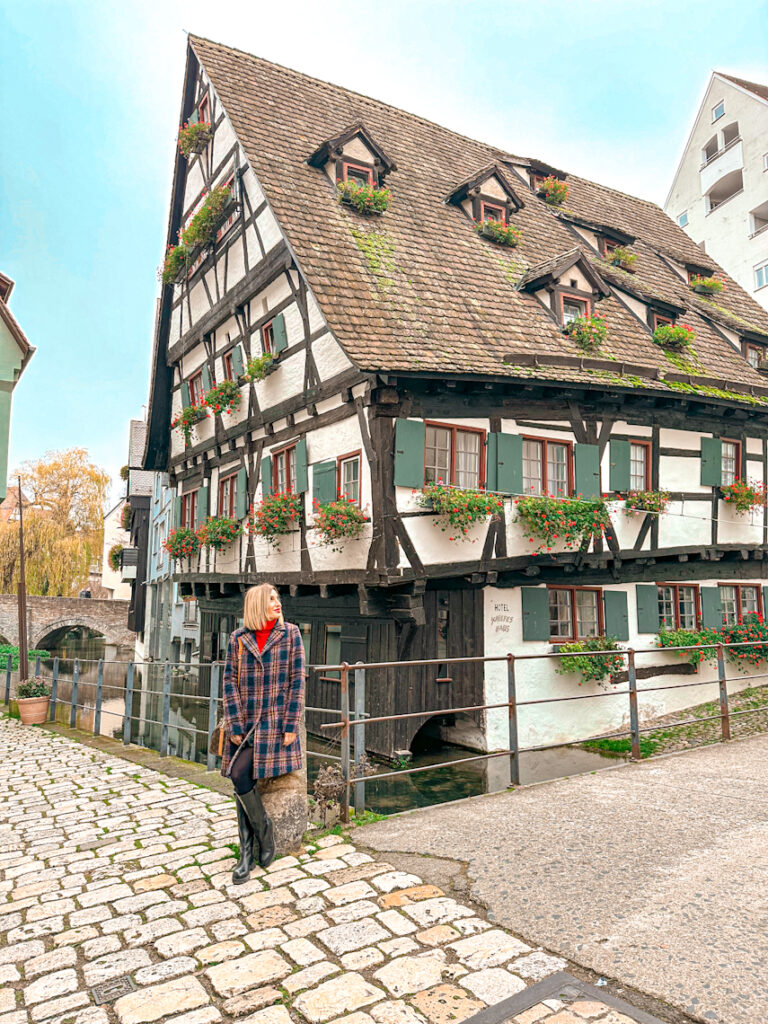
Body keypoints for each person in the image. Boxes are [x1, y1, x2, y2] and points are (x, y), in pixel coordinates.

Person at [220, 583, 305, 882]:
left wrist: (291, 724)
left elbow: (297, 680)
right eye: (271, 599)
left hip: (275, 723)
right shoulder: (239, 639)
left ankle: (255, 845)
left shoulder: (291, 633)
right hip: (245, 724)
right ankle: (255, 841)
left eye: (277, 598)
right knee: (238, 775)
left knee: (241, 777)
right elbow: (229, 681)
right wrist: (235, 723)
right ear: (257, 604)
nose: (277, 603)